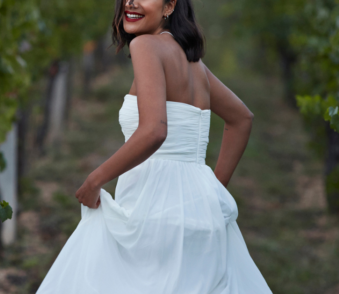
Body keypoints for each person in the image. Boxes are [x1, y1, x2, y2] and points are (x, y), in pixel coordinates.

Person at [35, 0, 273, 293]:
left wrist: (95, 180)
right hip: (202, 211)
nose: (131, 2)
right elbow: (242, 119)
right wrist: (214, 192)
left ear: (169, 5)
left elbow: (154, 130)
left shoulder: (146, 46)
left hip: (154, 207)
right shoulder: (194, 64)